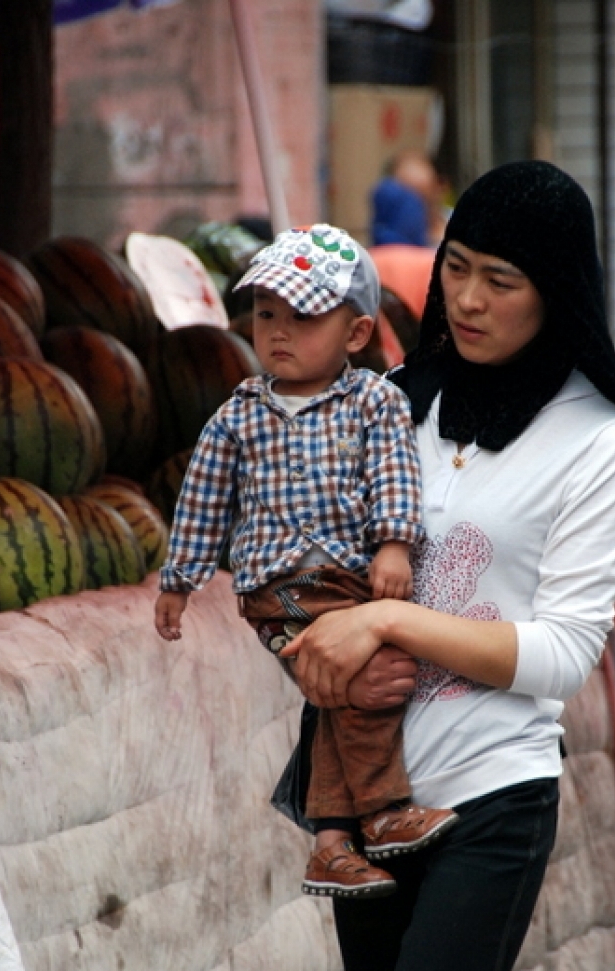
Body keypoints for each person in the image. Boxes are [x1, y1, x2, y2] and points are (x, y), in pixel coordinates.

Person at [277, 162, 615, 971]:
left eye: (503, 280)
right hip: (362, 795)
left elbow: (563, 653)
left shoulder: (599, 442)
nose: (470, 300)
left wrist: (391, 617)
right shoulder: (393, 403)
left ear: (559, 290)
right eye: (458, 270)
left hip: (487, 799)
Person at [154, 223, 458, 900]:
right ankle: (381, 814)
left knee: (339, 693)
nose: (278, 331)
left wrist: (393, 543)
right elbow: (202, 500)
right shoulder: (239, 415)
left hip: (351, 578)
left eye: (303, 316)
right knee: (364, 681)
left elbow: (395, 475)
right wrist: (179, 579)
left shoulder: (374, 403)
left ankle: (329, 843)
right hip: (278, 587)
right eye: (266, 314)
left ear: (356, 335)